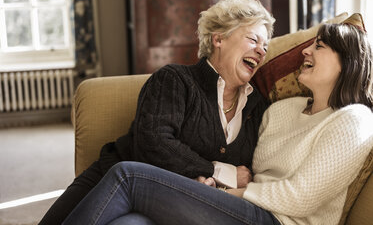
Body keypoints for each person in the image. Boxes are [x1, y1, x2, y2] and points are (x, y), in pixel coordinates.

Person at [62, 23, 373, 225]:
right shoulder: (281, 110)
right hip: (242, 208)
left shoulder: (354, 119)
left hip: (277, 221)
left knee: (127, 175)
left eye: (319, 46)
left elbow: (299, 197)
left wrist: (226, 194)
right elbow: (248, 166)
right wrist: (213, 184)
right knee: (128, 224)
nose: (306, 50)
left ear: (348, 61)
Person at [40, 0, 276, 224]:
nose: (261, 51)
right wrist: (218, 171)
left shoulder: (257, 106)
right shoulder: (175, 79)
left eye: (264, 46)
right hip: (111, 181)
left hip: (170, 206)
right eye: (253, 40)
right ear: (219, 39)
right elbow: (153, 143)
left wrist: (210, 184)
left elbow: (249, 171)